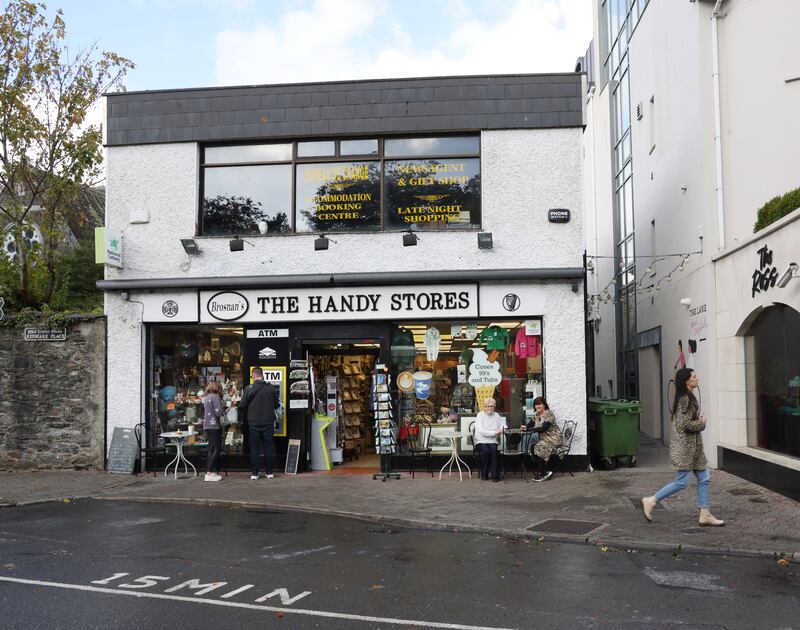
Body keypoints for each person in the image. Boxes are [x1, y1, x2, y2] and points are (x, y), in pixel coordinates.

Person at [642, 368, 724, 526]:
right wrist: (702, 422)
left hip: (693, 448)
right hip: (685, 448)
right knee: (681, 482)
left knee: (704, 477)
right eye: (694, 377)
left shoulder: (686, 397)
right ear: (687, 380)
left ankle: (705, 513)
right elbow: (684, 424)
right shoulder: (684, 399)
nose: (697, 379)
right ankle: (651, 500)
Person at [237, 367, 281, 480]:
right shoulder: (271, 388)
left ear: (254, 376)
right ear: (262, 375)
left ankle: (254, 473)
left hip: (254, 422)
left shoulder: (248, 389)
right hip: (268, 422)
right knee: (268, 447)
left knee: (255, 448)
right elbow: (277, 405)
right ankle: (269, 472)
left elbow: (241, 405)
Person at [522, 396, 562, 482]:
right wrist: (525, 427)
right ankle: (544, 471)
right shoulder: (537, 415)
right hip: (545, 439)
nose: (537, 406)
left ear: (544, 405)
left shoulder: (548, 414)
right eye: (536, 405)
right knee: (533, 447)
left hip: (554, 439)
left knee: (539, 447)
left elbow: (543, 429)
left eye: (539, 404)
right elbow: (530, 424)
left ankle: (542, 473)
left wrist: (528, 429)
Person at [474, 398, 507, 482]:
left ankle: (495, 476)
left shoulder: (496, 415)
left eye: (492, 406)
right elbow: (481, 431)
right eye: (488, 406)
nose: (490, 408)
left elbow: (504, 426)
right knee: (486, 452)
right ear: (484, 407)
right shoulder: (480, 415)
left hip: (492, 441)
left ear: (494, 407)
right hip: (480, 440)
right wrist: (495, 432)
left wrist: (502, 428)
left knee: (493, 450)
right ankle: (484, 474)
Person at [202, 381, 223, 482]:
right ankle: (209, 473)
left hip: (207, 425)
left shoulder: (207, 397)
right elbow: (218, 412)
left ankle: (210, 472)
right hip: (214, 425)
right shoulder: (216, 397)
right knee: (217, 449)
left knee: (211, 449)